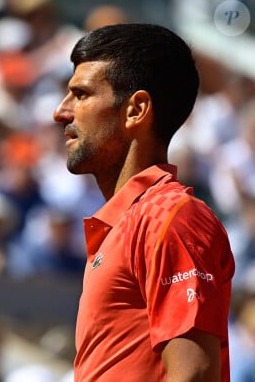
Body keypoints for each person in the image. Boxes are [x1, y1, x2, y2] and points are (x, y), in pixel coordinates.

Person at [52, 23, 235, 381]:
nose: (61, 112)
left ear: (136, 110)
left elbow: (195, 374)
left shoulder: (169, 217)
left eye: (81, 94)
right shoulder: (137, 221)